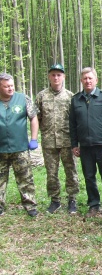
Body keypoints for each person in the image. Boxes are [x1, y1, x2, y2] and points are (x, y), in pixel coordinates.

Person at [69, 67, 102, 218]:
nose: (88, 81)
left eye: (90, 78)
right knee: (89, 176)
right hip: (85, 146)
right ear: (81, 81)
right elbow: (72, 124)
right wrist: (74, 144)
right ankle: (93, 205)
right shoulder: (76, 99)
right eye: (85, 78)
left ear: (96, 80)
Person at [35, 64, 79, 214]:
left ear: (63, 77)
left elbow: (75, 120)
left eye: (59, 75)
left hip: (67, 140)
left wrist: (76, 141)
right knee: (51, 172)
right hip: (48, 141)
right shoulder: (41, 96)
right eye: (53, 74)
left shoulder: (70, 96)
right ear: (49, 76)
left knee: (71, 170)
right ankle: (55, 200)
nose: (56, 77)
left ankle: (72, 199)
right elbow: (36, 118)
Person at [0, 73, 39, 217]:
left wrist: (34, 138)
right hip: (1, 148)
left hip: (20, 147)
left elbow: (33, 117)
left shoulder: (23, 99)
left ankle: (30, 205)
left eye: (12, 86)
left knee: (25, 178)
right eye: (6, 86)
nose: (10, 89)